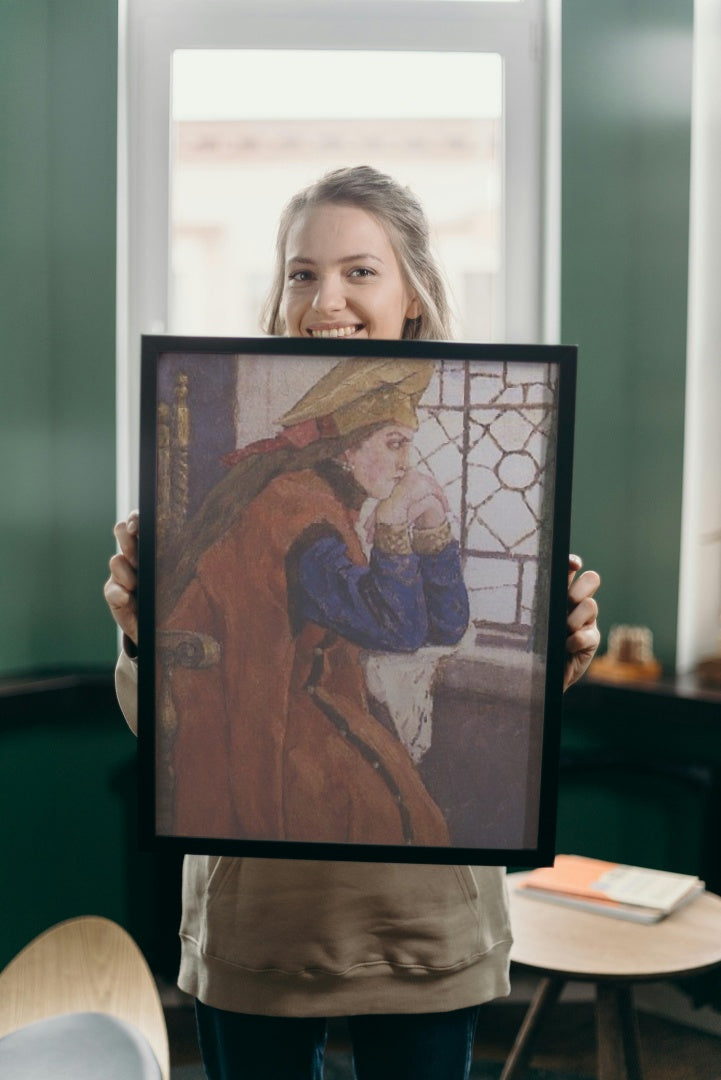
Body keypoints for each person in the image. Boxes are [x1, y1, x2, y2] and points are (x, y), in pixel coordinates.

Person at [105, 166, 601, 1080]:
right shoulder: (293, 509)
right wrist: (138, 636)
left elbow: (440, 624)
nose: (324, 297)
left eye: (358, 272)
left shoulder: (366, 502)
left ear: (412, 293)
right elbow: (386, 630)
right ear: (350, 439)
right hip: (266, 903)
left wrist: (553, 649)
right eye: (301, 273)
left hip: (420, 922)